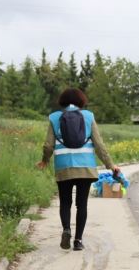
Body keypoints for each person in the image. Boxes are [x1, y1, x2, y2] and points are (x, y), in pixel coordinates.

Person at [36, 88, 120, 251]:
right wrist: (111, 165)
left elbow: (48, 145)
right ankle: (78, 241)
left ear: (62, 101)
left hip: (64, 167)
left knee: (65, 203)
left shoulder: (54, 118)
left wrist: (45, 161)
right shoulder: (88, 116)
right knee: (82, 205)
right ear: (81, 101)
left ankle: (66, 229)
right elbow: (99, 145)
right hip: (85, 168)